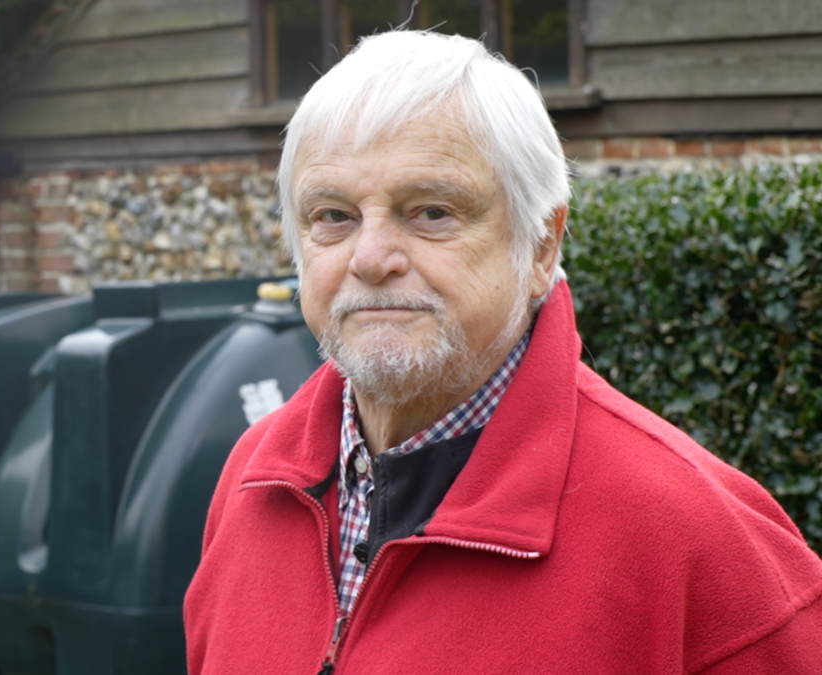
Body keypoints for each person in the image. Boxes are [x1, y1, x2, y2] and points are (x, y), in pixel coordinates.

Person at [184, 30, 822, 674]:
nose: (370, 258)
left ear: (542, 245)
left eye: (432, 212)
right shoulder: (252, 481)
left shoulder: (699, 541)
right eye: (333, 216)